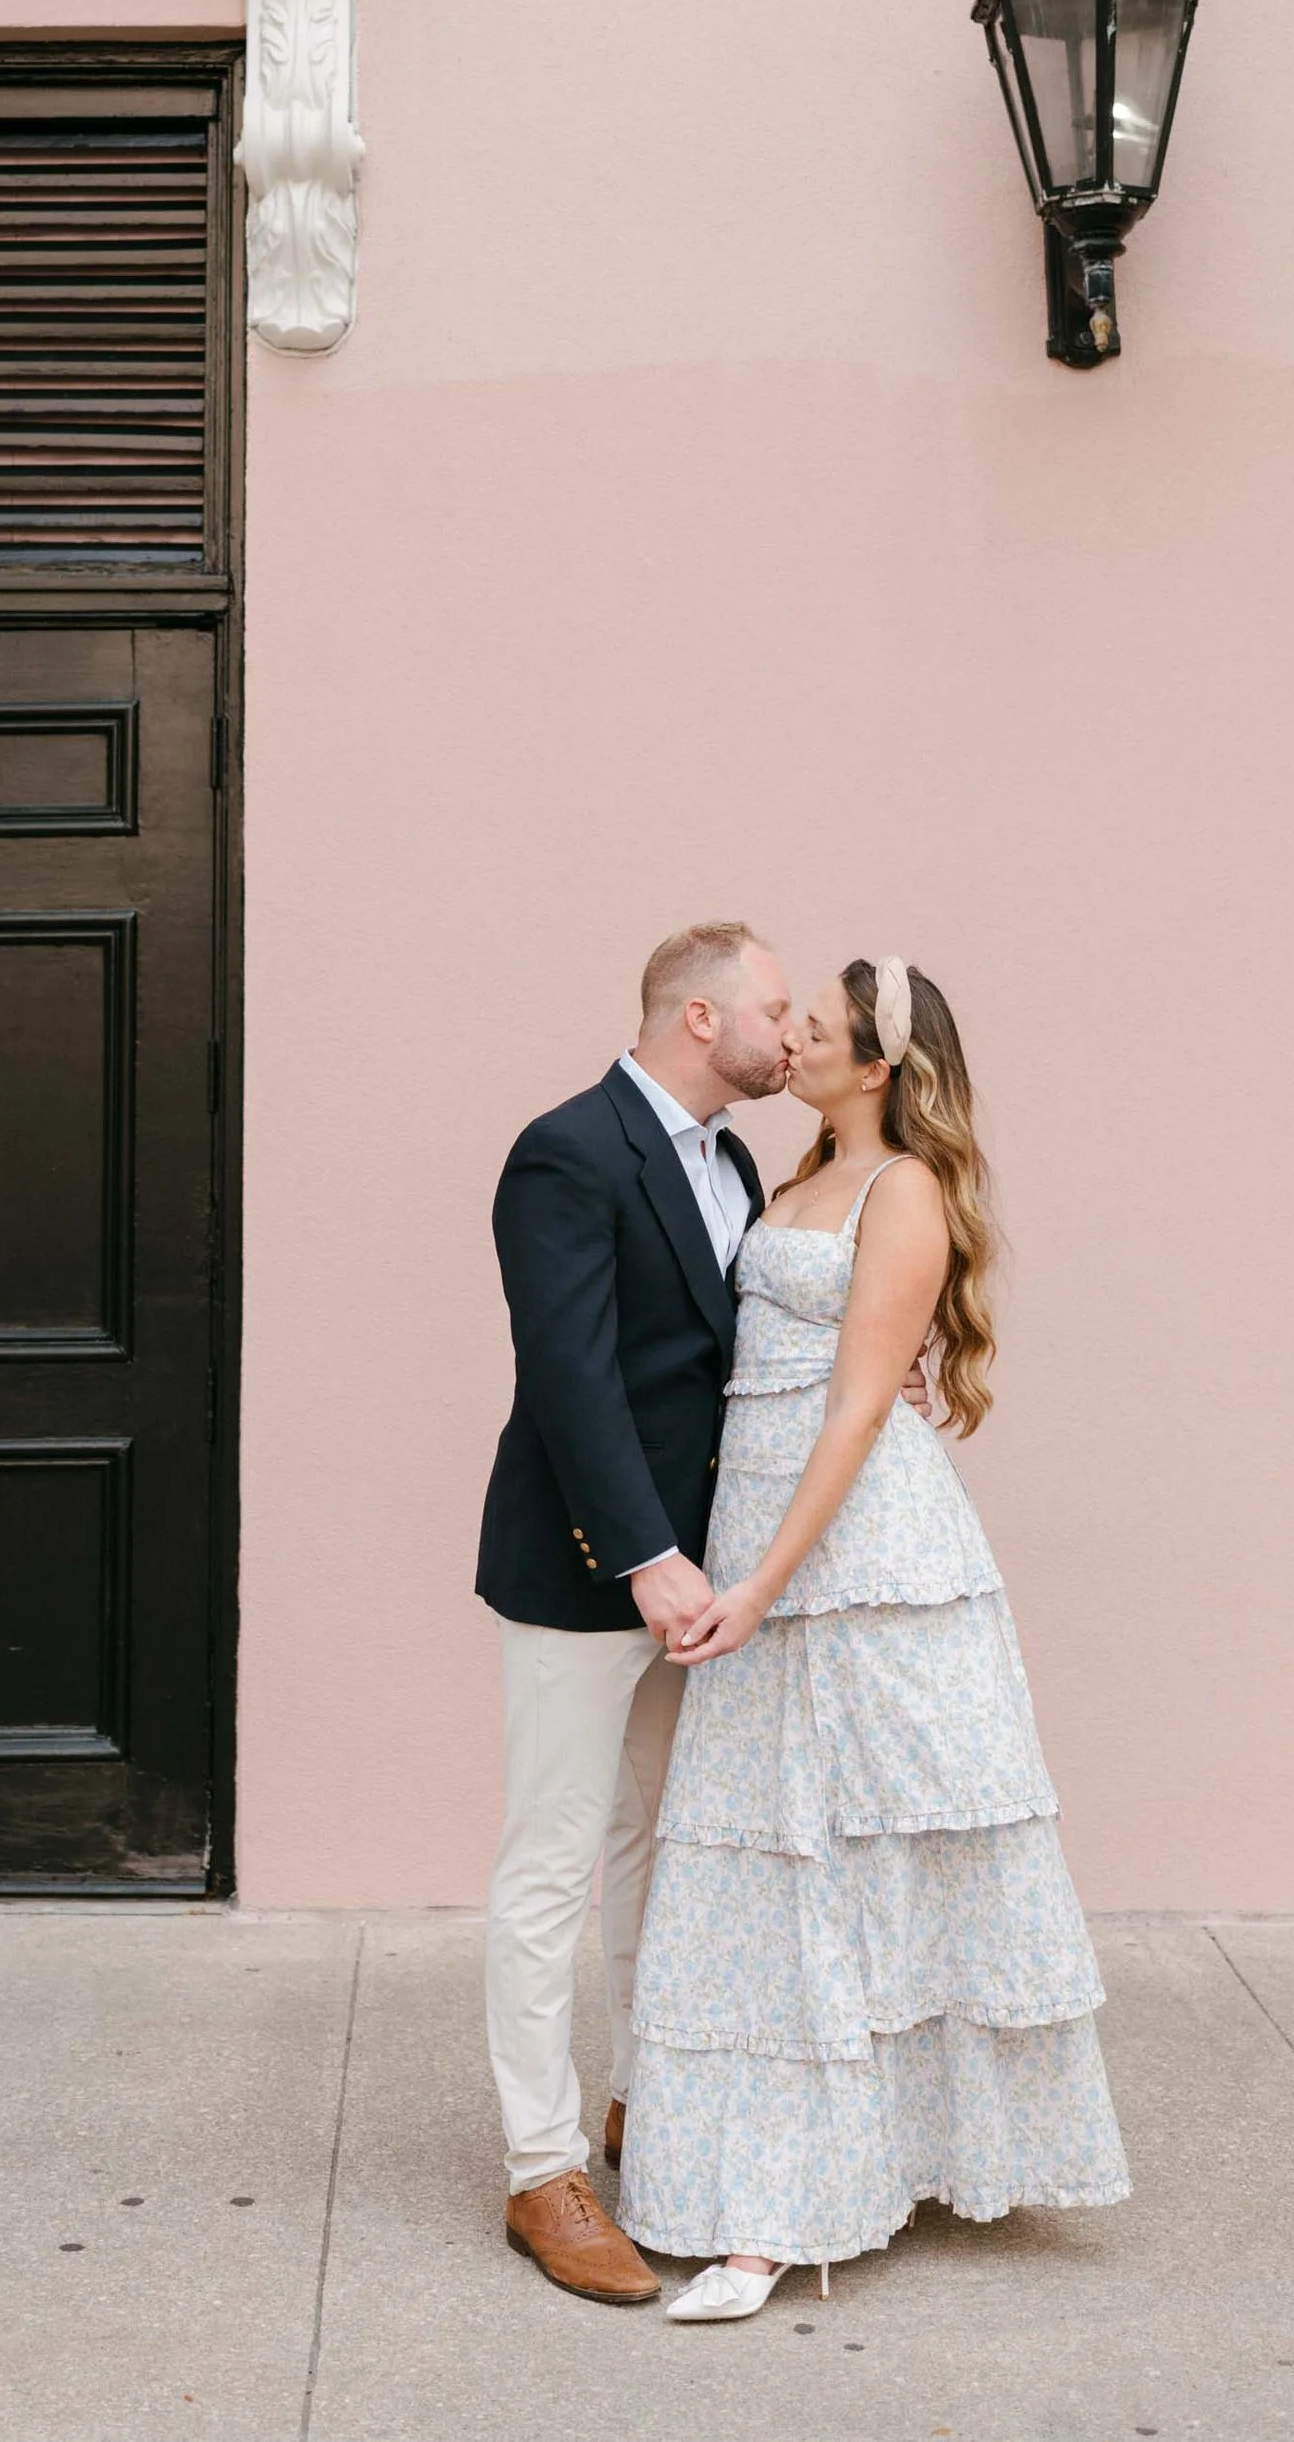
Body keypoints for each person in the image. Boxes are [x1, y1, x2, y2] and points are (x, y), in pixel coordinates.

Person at [616, 954, 1128, 2321]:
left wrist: (766, 1581)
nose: (791, 1038)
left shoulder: (905, 1191)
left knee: (854, 1861)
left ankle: (797, 2202)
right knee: (766, 1868)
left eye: (819, 1029)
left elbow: (853, 1410)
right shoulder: (788, 1178)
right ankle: (769, 2170)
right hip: (757, 1540)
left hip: (851, 1556)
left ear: (881, 1064)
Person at [474, 921, 791, 2303]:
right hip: (585, 1570)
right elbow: (570, 1376)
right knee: (554, 1862)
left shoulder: (737, 1159)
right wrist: (645, 1555)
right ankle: (542, 2169)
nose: (798, 1029)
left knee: (659, 1845)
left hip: (699, 1584)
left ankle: (638, 2111)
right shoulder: (566, 1149)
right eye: (778, 1006)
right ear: (703, 1017)